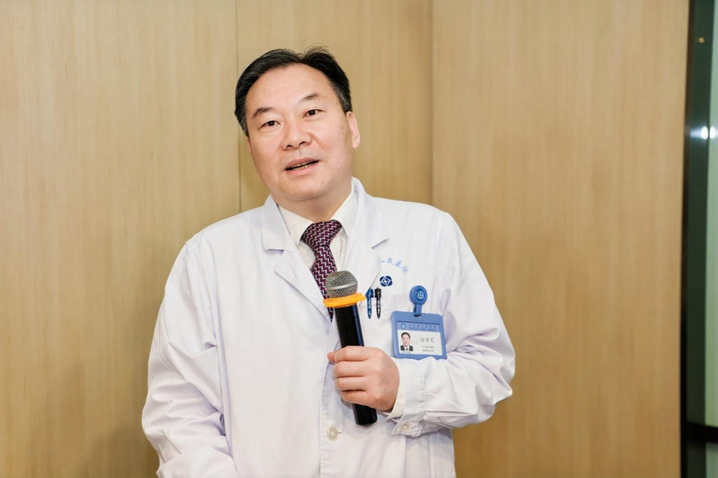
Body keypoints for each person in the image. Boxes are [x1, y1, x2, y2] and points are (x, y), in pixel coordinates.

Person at [142, 47, 515, 478]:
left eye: (312, 112)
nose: (294, 138)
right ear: (251, 149)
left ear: (351, 127)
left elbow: (489, 371)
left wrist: (403, 388)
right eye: (269, 123)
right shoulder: (208, 259)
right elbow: (179, 414)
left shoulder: (430, 233)